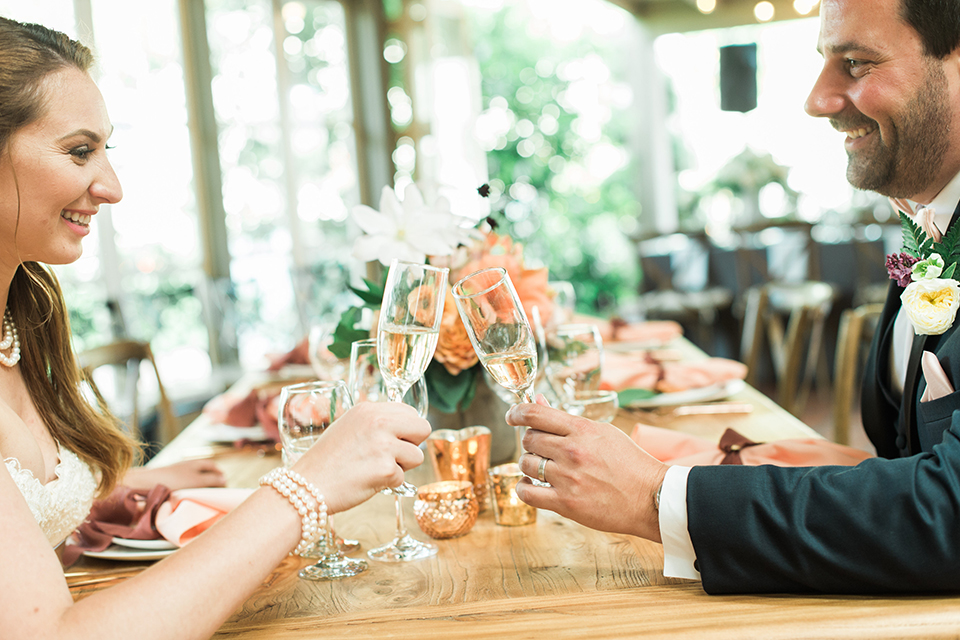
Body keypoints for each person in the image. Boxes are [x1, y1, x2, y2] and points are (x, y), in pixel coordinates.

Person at [0, 16, 430, 639]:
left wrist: (102, 487)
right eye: (78, 151)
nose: (112, 187)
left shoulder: (23, 318)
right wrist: (305, 487)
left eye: (105, 150)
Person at [510, 0, 960, 595]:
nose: (816, 98)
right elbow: (906, 466)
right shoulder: (928, 221)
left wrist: (655, 498)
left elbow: (946, 515)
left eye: (855, 63)